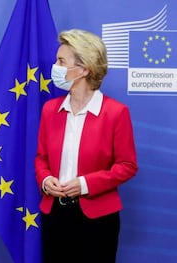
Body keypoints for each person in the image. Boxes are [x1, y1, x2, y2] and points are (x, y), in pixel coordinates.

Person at [35, 29, 138, 263]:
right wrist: (44, 179)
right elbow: (41, 158)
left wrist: (84, 184)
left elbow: (127, 165)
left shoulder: (116, 113)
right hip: (54, 214)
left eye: (61, 61)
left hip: (98, 218)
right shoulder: (50, 110)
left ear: (84, 69)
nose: (55, 66)